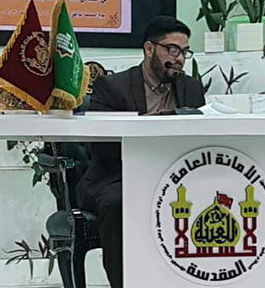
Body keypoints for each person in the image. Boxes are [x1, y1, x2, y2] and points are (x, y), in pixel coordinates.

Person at [76, 16, 206, 288]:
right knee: (118, 202)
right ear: (149, 49)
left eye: (185, 52)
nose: (179, 59)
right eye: (172, 50)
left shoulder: (191, 87)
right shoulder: (112, 87)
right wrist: (162, 122)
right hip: (117, 176)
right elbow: (105, 147)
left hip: (173, 174)